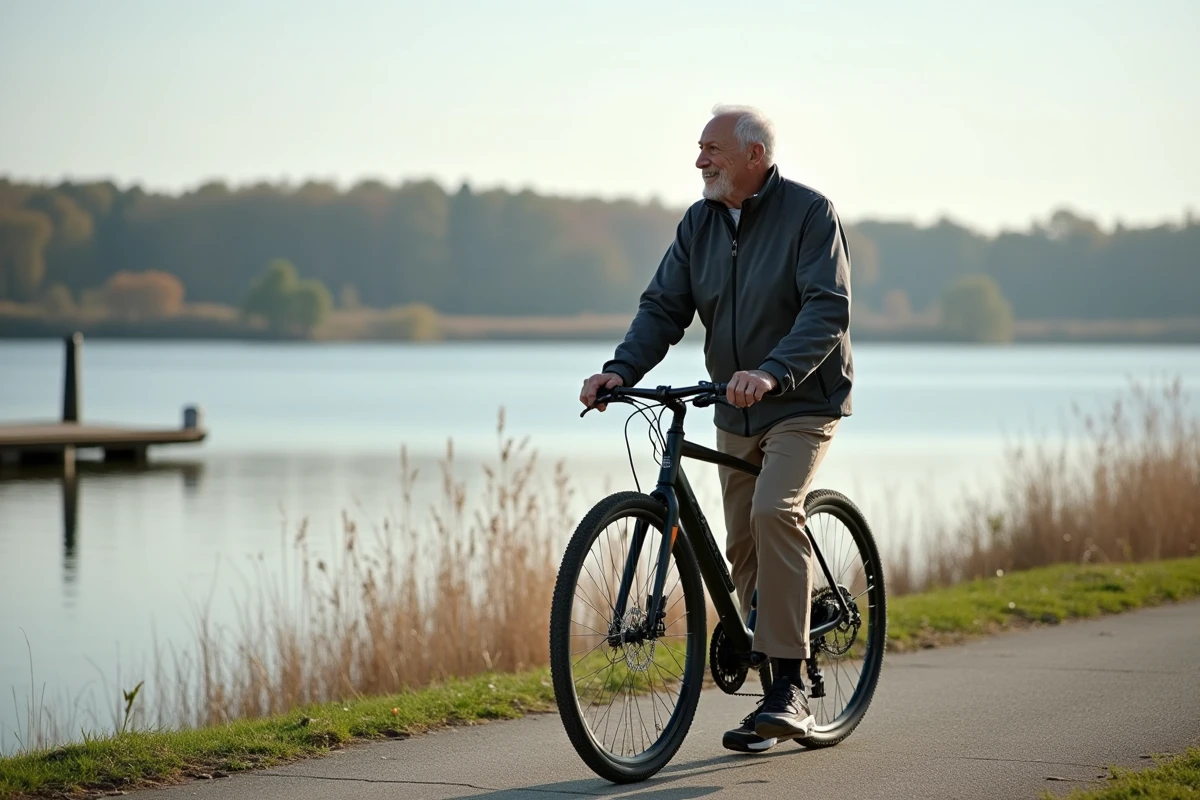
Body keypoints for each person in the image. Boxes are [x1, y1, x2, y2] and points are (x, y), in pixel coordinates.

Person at [579, 105, 853, 753]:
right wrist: (619, 371)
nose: (701, 160)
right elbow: (663, 307)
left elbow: (827, 309)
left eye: (713, 150)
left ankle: (789, 688)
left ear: (754, 156)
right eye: (699, 149)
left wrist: (773, 372)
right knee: (744, 550)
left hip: (800, 401)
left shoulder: (810, 215)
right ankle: (773, 703)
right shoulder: (699, 224)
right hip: (733, 407)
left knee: (774, 511)